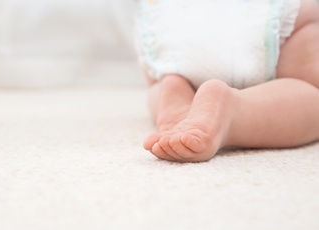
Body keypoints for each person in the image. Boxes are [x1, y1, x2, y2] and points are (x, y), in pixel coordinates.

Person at [135, 0, 319, 162]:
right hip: (264, 10)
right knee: (307, 89)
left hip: (171, 12)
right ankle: (234, 110)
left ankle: (174, 87)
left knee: (163, 78)